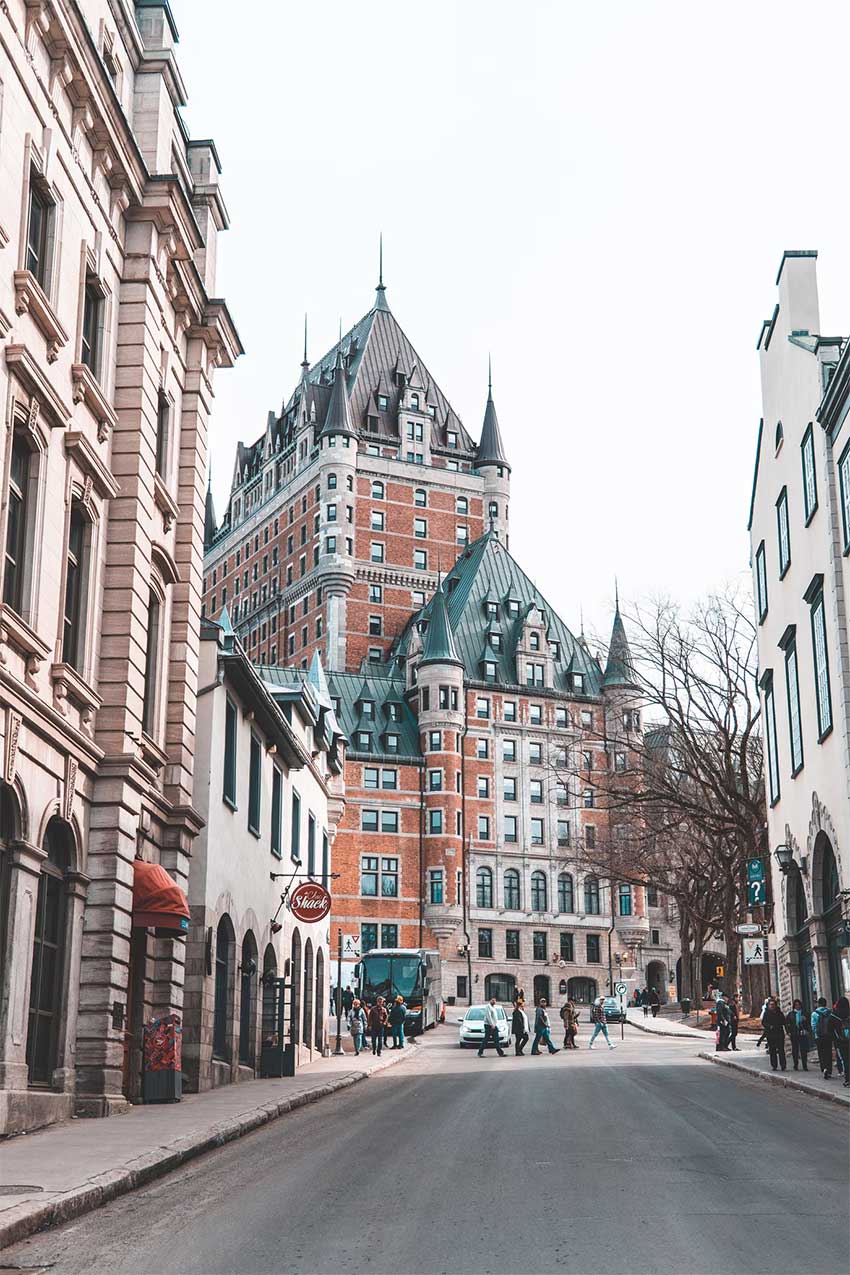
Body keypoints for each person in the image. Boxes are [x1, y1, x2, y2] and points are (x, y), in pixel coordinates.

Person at [828, 996, 850, 1088]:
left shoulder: (834, 1015)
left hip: (840, 1042)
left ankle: (848, 1079)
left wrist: (835, 1040)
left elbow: (829, 1030)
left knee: (845, 1060)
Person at [761, 996, 787, 1071]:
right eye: (770, 1005)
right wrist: (769, 1026)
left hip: (779, 1033)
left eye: (773, 1004)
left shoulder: (779, 1013)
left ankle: (783, 1065)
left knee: (781, 1050)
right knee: (772, 1050)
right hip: (770, 1034)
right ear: (768, 1006)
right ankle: (774, 1065)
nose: (772, 1006)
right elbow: (763, 1023)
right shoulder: (766, 1013)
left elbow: (783, 1022)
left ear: (775, 1005)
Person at [785, 999, 810, 1072]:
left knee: (803, 1050)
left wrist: (805, 1020)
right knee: (795, 1050)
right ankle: (795, 1064)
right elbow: (787, 1023)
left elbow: (809, 1022)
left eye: (798, 1004)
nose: (797, 1006)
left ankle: (804, 1065)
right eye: (796, 1005)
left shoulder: (804, 1013)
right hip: (794, 1033)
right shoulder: (791, 1014)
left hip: (802, 1033)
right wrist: (788, 1032)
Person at [811, 997, 833, 1078]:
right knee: (828, 1052)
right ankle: (829, 1069)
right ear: (825, 1004)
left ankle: (824, 1068)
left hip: (819, 1036)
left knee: (821, 1053)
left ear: (818, 1004)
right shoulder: (829, 1012)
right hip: (828, 1036)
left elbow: (813, 1026)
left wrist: (816, 1033)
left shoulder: (814, 1014)